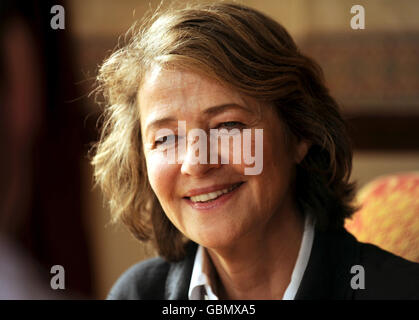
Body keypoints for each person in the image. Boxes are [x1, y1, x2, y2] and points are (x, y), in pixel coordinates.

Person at [91, 2, 419, 299]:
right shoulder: (136, 295)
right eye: (165, 138)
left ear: (300, 133)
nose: (196, 163)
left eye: (228, 126)